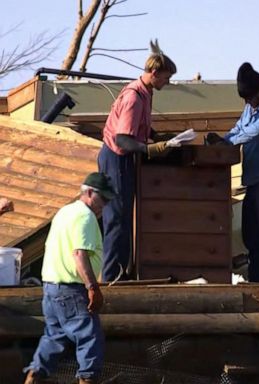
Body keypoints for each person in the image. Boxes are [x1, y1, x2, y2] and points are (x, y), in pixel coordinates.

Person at [23, 172, 116, 384]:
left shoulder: (65, 212)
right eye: (104, 199)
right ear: (90, 193)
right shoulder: (86, 216)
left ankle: (33, 377)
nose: (105, 205)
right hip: (71, 289)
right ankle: (87, 380)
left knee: (54, 337)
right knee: (90, 337)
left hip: (51, 288)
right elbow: (79, 254)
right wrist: (92, 287)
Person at [98, 39, 177, 282]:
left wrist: (157, 136)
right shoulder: (134, 97)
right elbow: (123, 139)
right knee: (117, 220)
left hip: (122, 159)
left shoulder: (146, 93)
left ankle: (120, 274)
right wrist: (150, 149)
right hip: (116, 158)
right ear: (153, 73)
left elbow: (139, 128)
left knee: (124, 219)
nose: (167, 82)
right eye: (165, 77)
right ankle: (111, 277)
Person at [208, 62, 259, 283]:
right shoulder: (250, 108)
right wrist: (222, 141)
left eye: (249, 97)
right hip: (256, 182)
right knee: (252, 234)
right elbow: (239, 128)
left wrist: (229, 142)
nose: (247, 102)